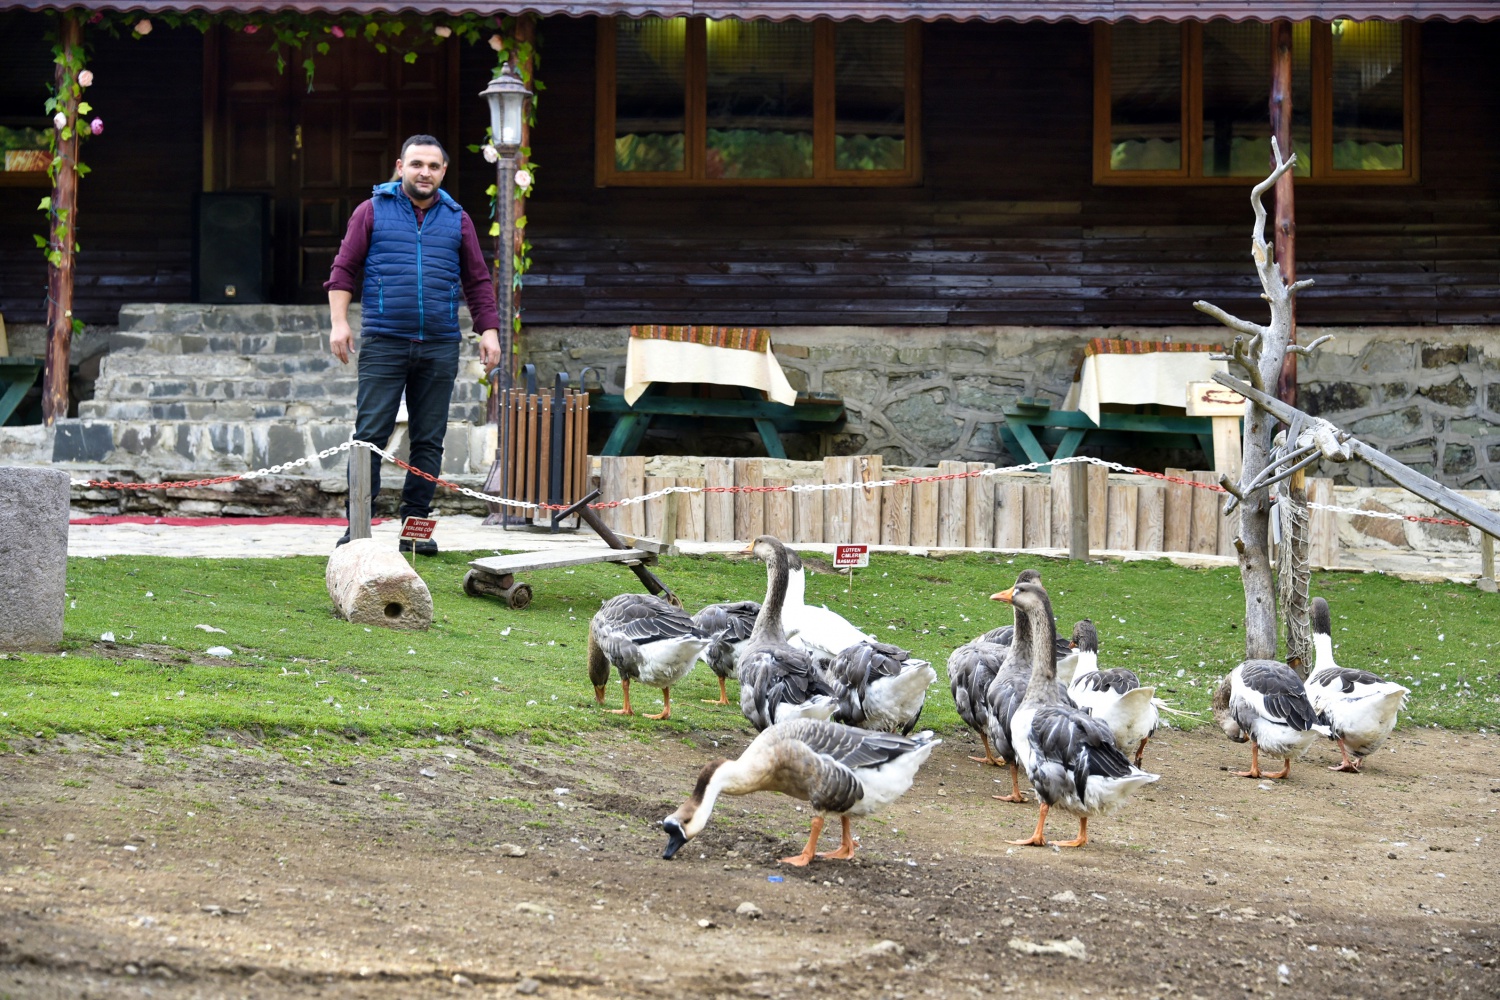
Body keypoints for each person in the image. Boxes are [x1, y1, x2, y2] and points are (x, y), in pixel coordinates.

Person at [326, 134, 502, 554]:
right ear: (400, 167)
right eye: (417, 164)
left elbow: (477, 280)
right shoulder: (371, 211)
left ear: (443, 172)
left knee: (428, 440)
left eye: (434, 166)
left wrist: (489, 330)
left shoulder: (457, 219)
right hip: (385, 341)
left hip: (439, 344)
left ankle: (414, 531)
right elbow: (343, 269)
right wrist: (338, 323)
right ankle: (358, 529)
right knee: (370, 435)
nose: (425, 172)